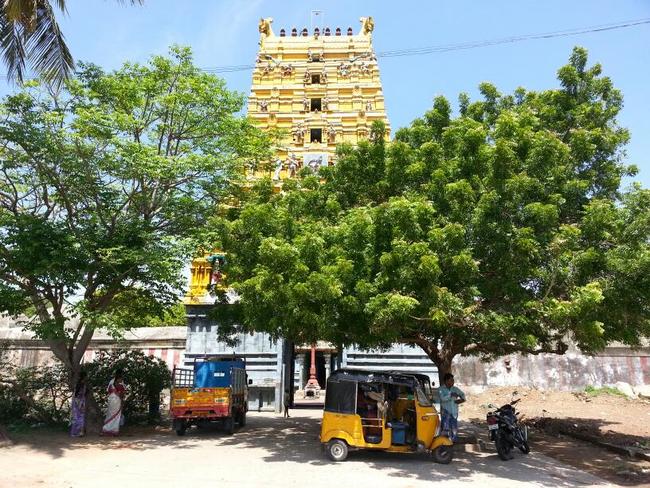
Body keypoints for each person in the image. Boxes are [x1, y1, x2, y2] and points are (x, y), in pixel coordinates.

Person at [438, 373, 466, 442]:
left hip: (454, 412)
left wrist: (461, 400)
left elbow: (463, 395)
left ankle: (453, 442)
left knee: (454, 428)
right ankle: (444, 442)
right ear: (446, 381)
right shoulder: (441, 389)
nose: (453, 382)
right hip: (445, 411)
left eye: (453, 380)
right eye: (451, 380)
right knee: (445, 428)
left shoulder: (455, 389)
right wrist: (450, 395)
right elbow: (442, 399)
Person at [102, 369, 126, 436]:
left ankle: (107, 429)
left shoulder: (111, 382)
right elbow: (123, 393)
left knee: (110, 415)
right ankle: (114, 430)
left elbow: (108, 391)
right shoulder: (121, 384)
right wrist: (122, 399)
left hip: (111, 400)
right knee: (116, 416)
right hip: (117, 400)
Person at [70, 371, 88, 437]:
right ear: (84, 377)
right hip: (78, 401)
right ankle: (78, 432)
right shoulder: (80, 384)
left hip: (80, 401)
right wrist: (79, 402)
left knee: (79, 417)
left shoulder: (81, 384)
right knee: (79, 417)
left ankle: (78, 432)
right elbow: (76, 394)